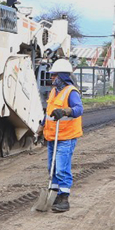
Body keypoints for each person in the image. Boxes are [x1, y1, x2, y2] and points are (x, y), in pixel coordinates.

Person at [43, 58, 83, 213]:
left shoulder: (71, 92)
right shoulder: (54, 92)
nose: (52, 77)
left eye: (54, 75)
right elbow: (48, 113)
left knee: (61, 169)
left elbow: (79, 109)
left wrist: (65, 111)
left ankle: (64, 198)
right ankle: (54, 196)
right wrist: (41, 128)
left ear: (62, 76)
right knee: (52, 168)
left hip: (66, 137)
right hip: (53, 136)